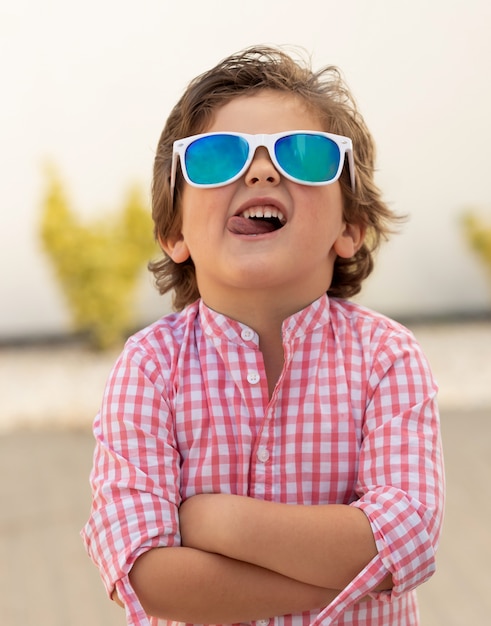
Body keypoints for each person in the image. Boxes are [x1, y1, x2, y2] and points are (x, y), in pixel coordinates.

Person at [81, 45, 445, 626]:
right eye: (216, 156)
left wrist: (213, 520)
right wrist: (350, 576)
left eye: (303, 154)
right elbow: (146, 576)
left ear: (350, 227)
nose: (260, 169)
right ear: (175, 234)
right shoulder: (149, 369)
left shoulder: (387, 358)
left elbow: (404, 536)